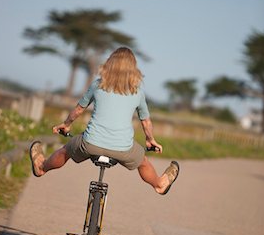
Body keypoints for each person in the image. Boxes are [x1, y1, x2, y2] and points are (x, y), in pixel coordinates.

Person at [29, 47, 179, 195]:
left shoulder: (98, 85)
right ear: (133, 69)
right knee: (143, 162)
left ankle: (42, 167)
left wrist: (66, 124)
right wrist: (150, 139)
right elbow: (146, 122)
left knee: (66, 150)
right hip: (123, 149)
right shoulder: (137, 92)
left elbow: (78, 110)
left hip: (90, 144)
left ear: (110, 64)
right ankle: (159, 185)